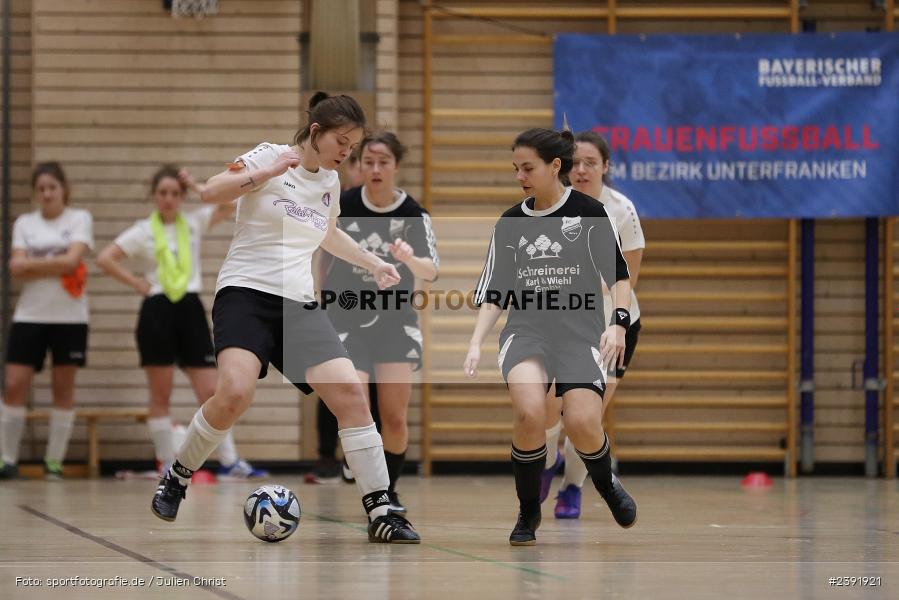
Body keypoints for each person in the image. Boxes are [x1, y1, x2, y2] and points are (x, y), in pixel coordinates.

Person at [149, 92, 420, 543]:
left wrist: (373, 263)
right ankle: (177, 475)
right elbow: (212, 191)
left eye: (352, 147)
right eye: (341, 141)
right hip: (246, 294)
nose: (346, 153)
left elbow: (328, 234)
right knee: (234, 392)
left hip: (297, 303)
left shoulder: (330, 184)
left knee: (352, 393)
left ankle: (381, 510)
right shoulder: (271, 155)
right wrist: (265, 173)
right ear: (316, 131)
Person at [464, 128, 637, 545]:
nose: (520, 176)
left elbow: (619, 277)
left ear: (554, 166)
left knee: (581, 422)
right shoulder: (510, 222)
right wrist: (475, 340)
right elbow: (495, 293)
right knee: (530, 413)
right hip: (526, 333)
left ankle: (605, 482)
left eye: (528, 168)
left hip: (580, 335)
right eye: (516, 169)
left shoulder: (590, 213)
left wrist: (616, 322)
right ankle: (527, 513)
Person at [96, 165, 267, 481]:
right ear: (154, 196)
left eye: (175, 193)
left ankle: (230, 461)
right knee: (160, 394)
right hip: (157, 310)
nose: (169, 199)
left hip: (189, 309)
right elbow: (105, 257)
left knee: (212, 390)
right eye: (163, 193)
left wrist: (194, 186)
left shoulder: (194, 221)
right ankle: (164, 462)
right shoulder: (143, 230)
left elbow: (229, 205)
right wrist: (137, 284)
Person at [320, 132, 439, 512]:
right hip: (347, 315)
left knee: (394, 416)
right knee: (357, 400)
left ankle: (388, 492)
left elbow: (431, 270)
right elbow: (322, 250)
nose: (374, 169)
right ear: (358, 165)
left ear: (396, 166)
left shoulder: (414, 215)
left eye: (383, 162)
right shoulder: (344, 204)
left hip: (395, 321)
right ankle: (361, 468)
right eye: (367, 161)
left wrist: (409, 258)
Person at [541, 131, 646, 518]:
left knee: (586, 420)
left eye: (591, 163)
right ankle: (547, 462)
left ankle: (571, 489)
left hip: (613, 329)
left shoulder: (622, 209)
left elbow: (629, 274)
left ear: (606, 167)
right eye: (575, 163)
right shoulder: (552, 205)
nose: (581, 170)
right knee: (551, 411)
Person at [1, 162, 93, 480]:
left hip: (70, 319)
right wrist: (56, 262)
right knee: (13, 385)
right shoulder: (25, 223)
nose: (47, 193)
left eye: (52, 187)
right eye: (40, 188)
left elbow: (72, 261)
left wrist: (33, 263)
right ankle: (7, 459)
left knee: (62, 387)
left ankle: (54, 461)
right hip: (30, 316)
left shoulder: (79, 219)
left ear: (63, 189)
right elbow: (15, 266)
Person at [307, 149, 364, 485]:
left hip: (371, 306)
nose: (362, 170)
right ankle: (327, 457)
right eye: (360, 162)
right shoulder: (335, 202)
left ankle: (358, 460)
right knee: (330, 381)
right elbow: (322, 253)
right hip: (336, 303)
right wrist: (317, 296)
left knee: (367, 386)